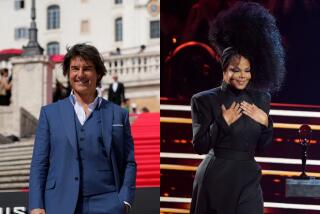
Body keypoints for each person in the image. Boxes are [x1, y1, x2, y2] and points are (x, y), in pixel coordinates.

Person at [190, 2, 286, 214]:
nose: (242, 75)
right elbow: (200, 146)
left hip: (248, 177)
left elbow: (263, 147)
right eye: (235, 69)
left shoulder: (262, 99)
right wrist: (223, 122)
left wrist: (266, 123)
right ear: (224, 71)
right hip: (215, 178)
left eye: (247, 70)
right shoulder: (203, 100)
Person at [29, 44, 136, 214]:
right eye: (74, 69)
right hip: (59, 204)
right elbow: (39, 164)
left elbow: (129, 162)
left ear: (98, 73)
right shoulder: (49, 114)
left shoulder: (118, 114)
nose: (80, 75)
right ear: (67, 73)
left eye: (87, 69)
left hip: (108, 205)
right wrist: (36, 204)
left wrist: (124, 200)